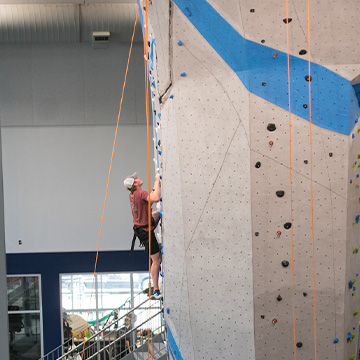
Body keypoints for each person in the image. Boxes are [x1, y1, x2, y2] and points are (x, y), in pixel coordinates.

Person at [124, 172, 163, 299]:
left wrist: (153, 190)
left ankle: (157, 245)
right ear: (135, 183)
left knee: (157, 214)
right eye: (137, 178)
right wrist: (157, 181)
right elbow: (156, 198)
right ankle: (156, 290)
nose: (139, 178)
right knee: (157, 260)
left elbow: (148, 201)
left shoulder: (133, 195)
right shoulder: (139, 193)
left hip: (143, 228)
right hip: (146, 232)